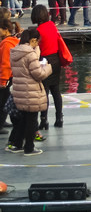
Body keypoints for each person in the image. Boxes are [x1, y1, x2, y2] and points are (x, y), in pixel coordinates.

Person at [8, 27, 52, 156]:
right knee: (32, 120)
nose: (37, 45)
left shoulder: (15, 52)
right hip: (31, 91)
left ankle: (16, 144)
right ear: (33, 40)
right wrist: (47, 67)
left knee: (22, 119)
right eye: (37, 42)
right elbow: (38, 74)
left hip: (19, 90)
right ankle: (29, 147)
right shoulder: (30, 54)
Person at [32, 4, 69, 130]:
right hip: (56, 60)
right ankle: (59, 118)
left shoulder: (38, 32)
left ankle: (44, 120)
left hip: (43, 61)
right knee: (56, 90)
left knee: (44, 92)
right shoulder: (52, 26)